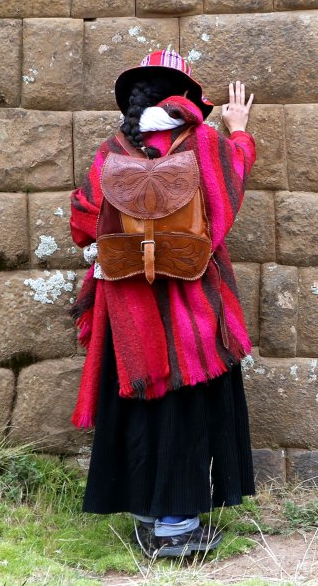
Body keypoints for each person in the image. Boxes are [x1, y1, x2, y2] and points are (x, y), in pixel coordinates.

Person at [67, 49, 257, 559]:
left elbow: (83, 222)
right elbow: (227, 196)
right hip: (191, 305)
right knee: (185, 408)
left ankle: (151, 521)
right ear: (187, 96)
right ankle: (176, 531)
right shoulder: (202, 143)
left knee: (139, 408)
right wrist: (238, 131)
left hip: (127, 310)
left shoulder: (110, 151)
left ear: (132, 98)